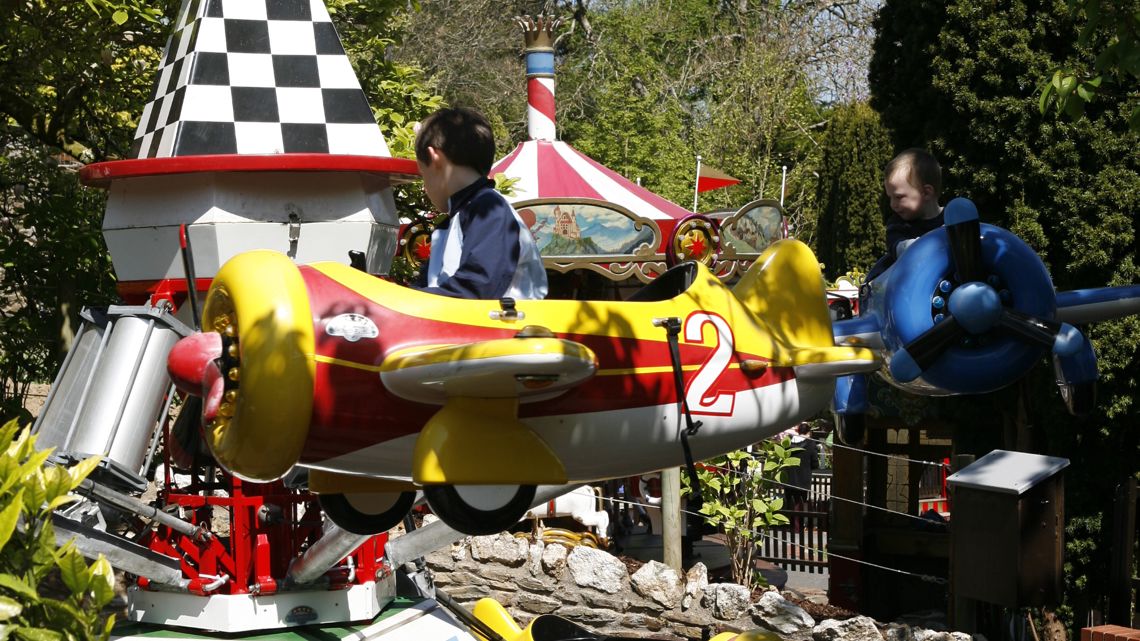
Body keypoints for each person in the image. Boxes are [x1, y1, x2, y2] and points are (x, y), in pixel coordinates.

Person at [414, 107, 548, 300]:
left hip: (501, 328)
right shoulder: (463, 215)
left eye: (423, 175)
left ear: (434, 158)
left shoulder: (488, 210)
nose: (425, 188)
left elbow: (477, 287)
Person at [866, 148, 945, 281]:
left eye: (898, 197)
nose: (892, 204)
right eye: (890, 197)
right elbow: (899, 248)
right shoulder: (897, 225)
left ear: (926, 193)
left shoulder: (951, 218)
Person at [784, 422, 819, 533]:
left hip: (789, 478)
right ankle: (800, 526)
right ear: (808, 432)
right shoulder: (811, 444)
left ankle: (792, 525)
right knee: (800, 502)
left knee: (790, 502)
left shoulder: (787, 443)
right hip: (804, 478)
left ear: (798, 431)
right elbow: (815, 464)